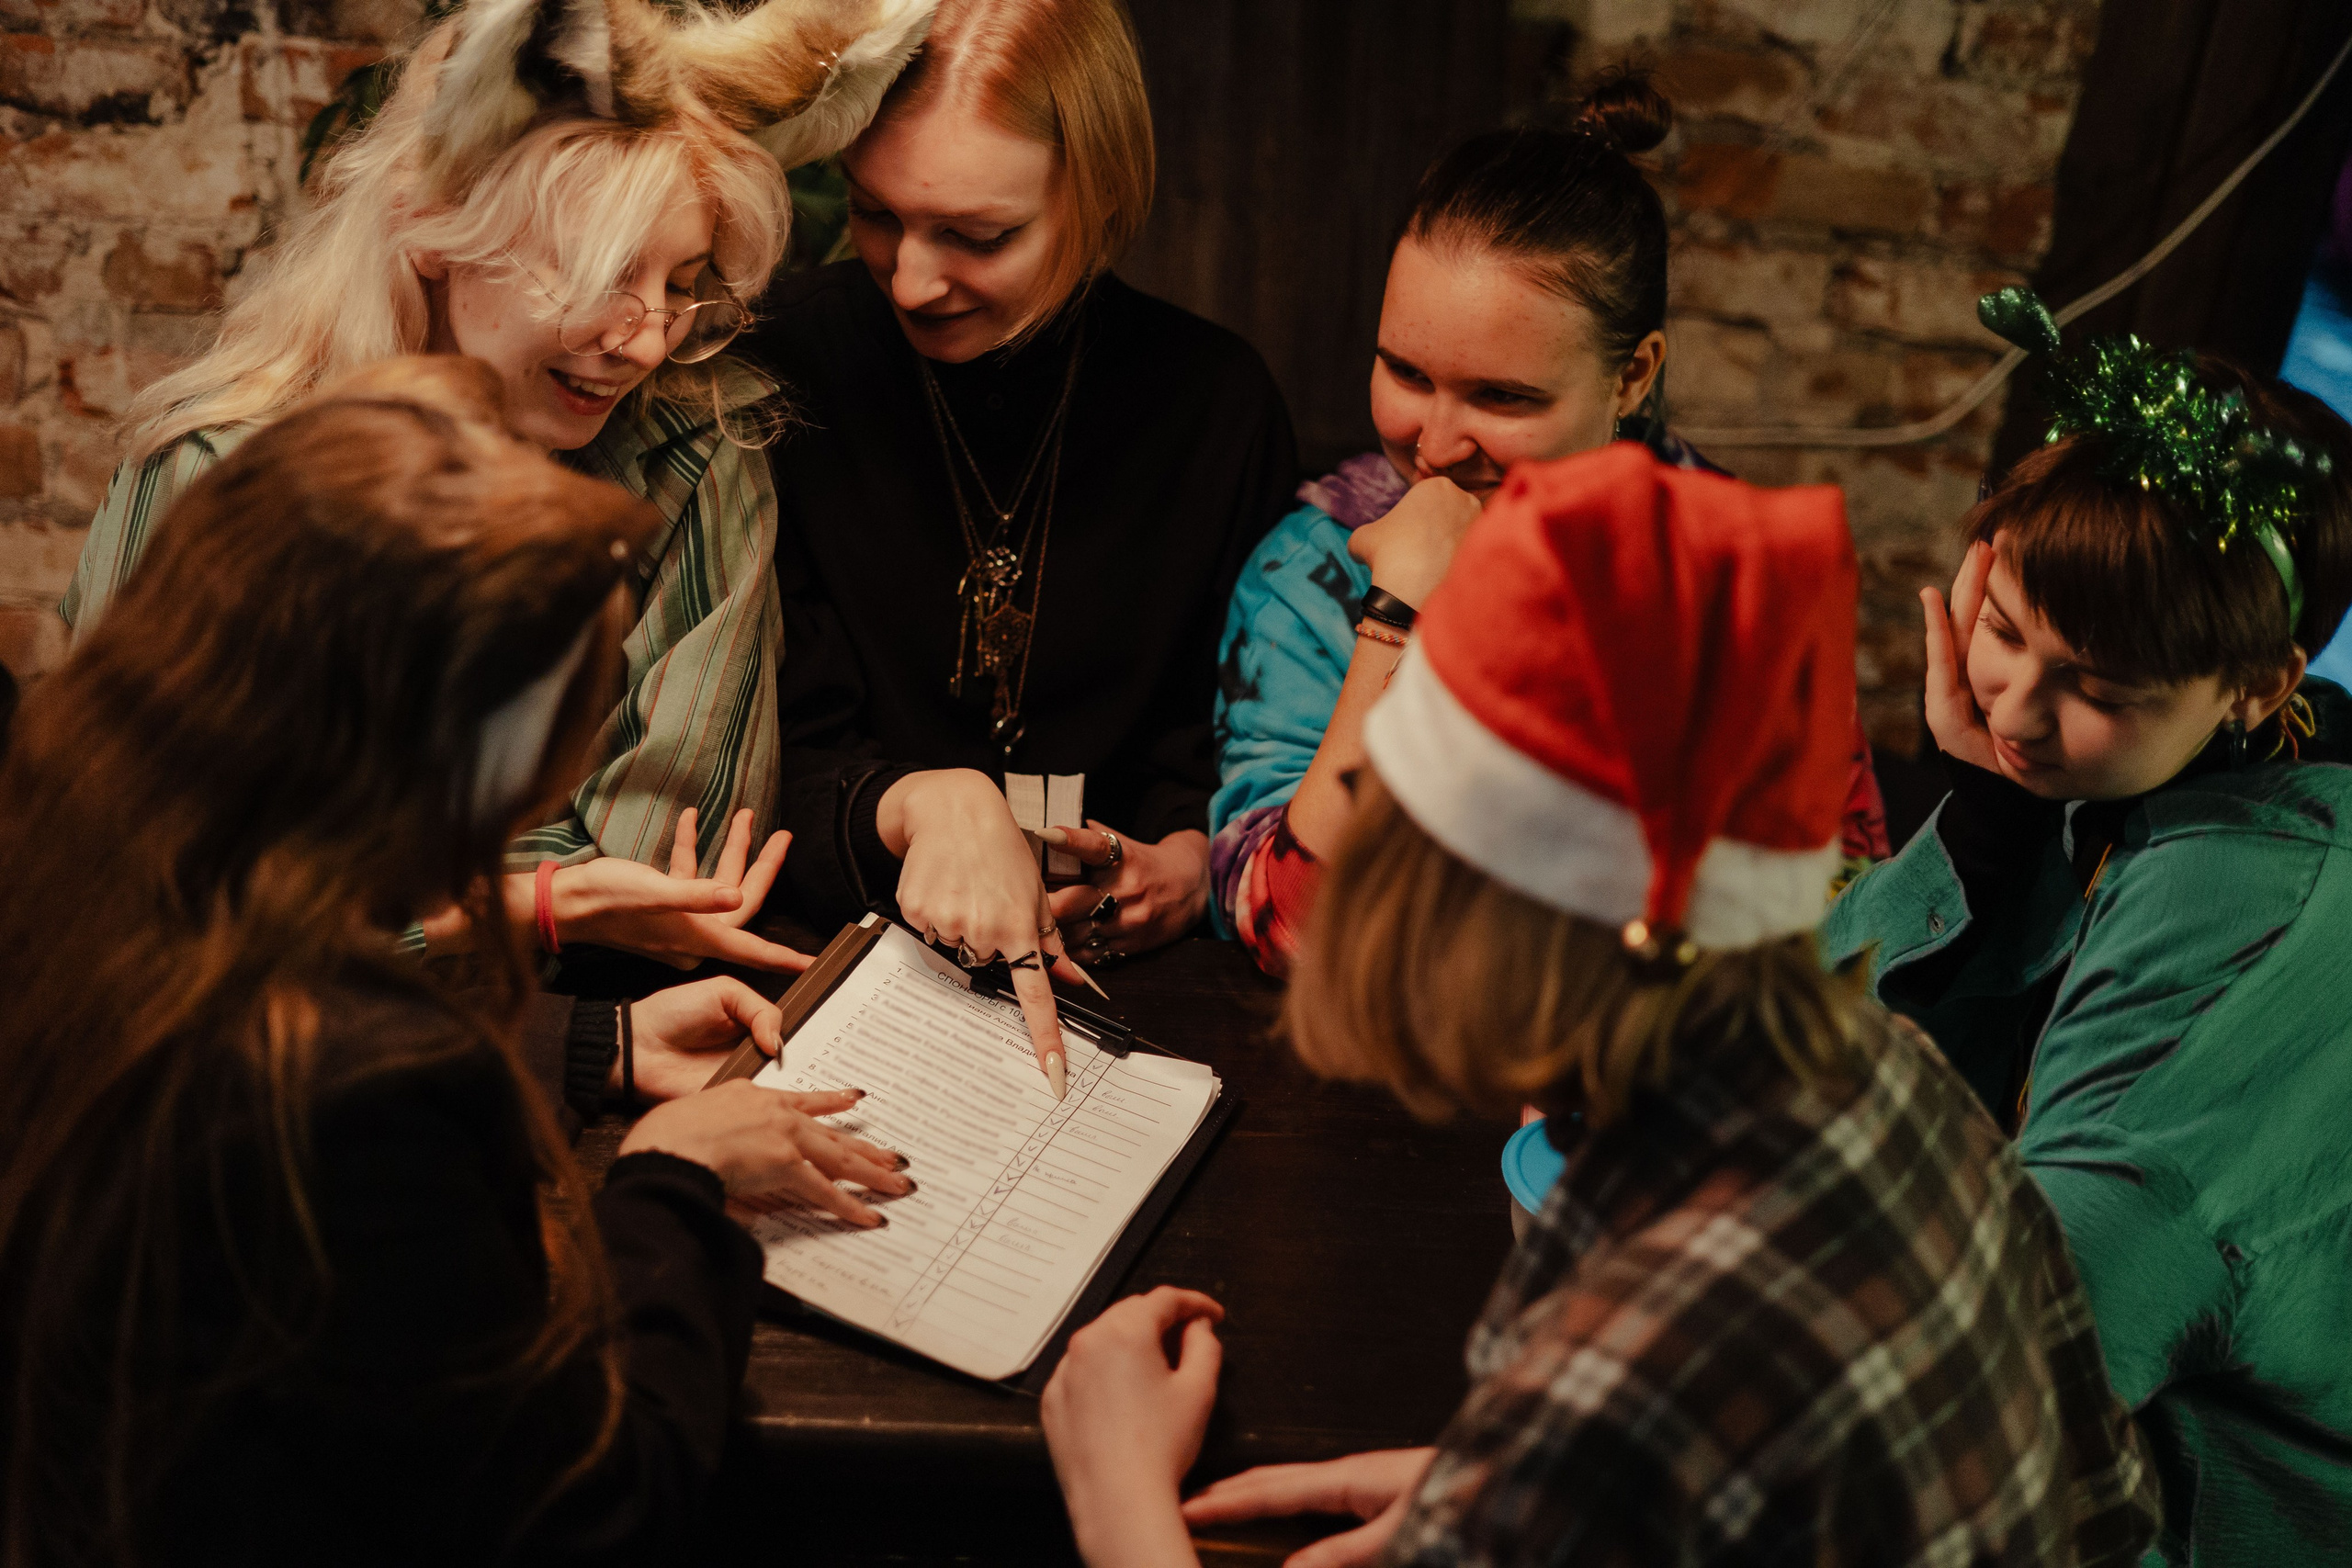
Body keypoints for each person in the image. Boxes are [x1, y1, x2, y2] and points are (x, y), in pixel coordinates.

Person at [1038, 446, 2158, 1567]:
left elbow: (1632, 1415)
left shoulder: (1611, 1371)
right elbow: (2103, 1513)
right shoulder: (1890, 1076)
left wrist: (1118, 1491)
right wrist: (1496, 1499)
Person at [0, 365, 916, 1565]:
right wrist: (670, 1184)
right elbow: (591, 1511)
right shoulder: (359, 1084)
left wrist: (601, 1042)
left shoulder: (72, 853)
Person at [58, 0, 937, 978]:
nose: (646, 338)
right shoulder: (208, 477)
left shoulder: (693, 445)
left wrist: (369, 905)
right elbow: (135, 907)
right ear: (431, 224)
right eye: (598, 274)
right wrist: (542, 900)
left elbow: (656, 865)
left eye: (681, 280)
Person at [1821, 295, 2352, 1565]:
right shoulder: (2126, 784)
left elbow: (1992, 1376)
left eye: (2098, 688)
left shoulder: (2252, 928)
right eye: (2004, 627)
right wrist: (1992, 814)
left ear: (2259, 684)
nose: (2017, 706)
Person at [1210, 80, 1891, 977]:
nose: (1436, 445)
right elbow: (1292, 931)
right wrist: (1396, 611)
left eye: (1502, 396)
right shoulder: (1307, 575)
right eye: (1405, 373)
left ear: (1632, 374)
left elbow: (1851, 909)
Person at [746, 0, 1298, 1069]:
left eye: (978, 236)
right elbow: (752, 755)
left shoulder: (1215, 404)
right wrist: (906, 809)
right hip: (835, 969)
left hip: (1153, 1003)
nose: (910, 279)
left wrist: (1190, 859)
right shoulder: (783, 374)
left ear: (1098, 198)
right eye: (874, 214)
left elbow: (1233, 738)